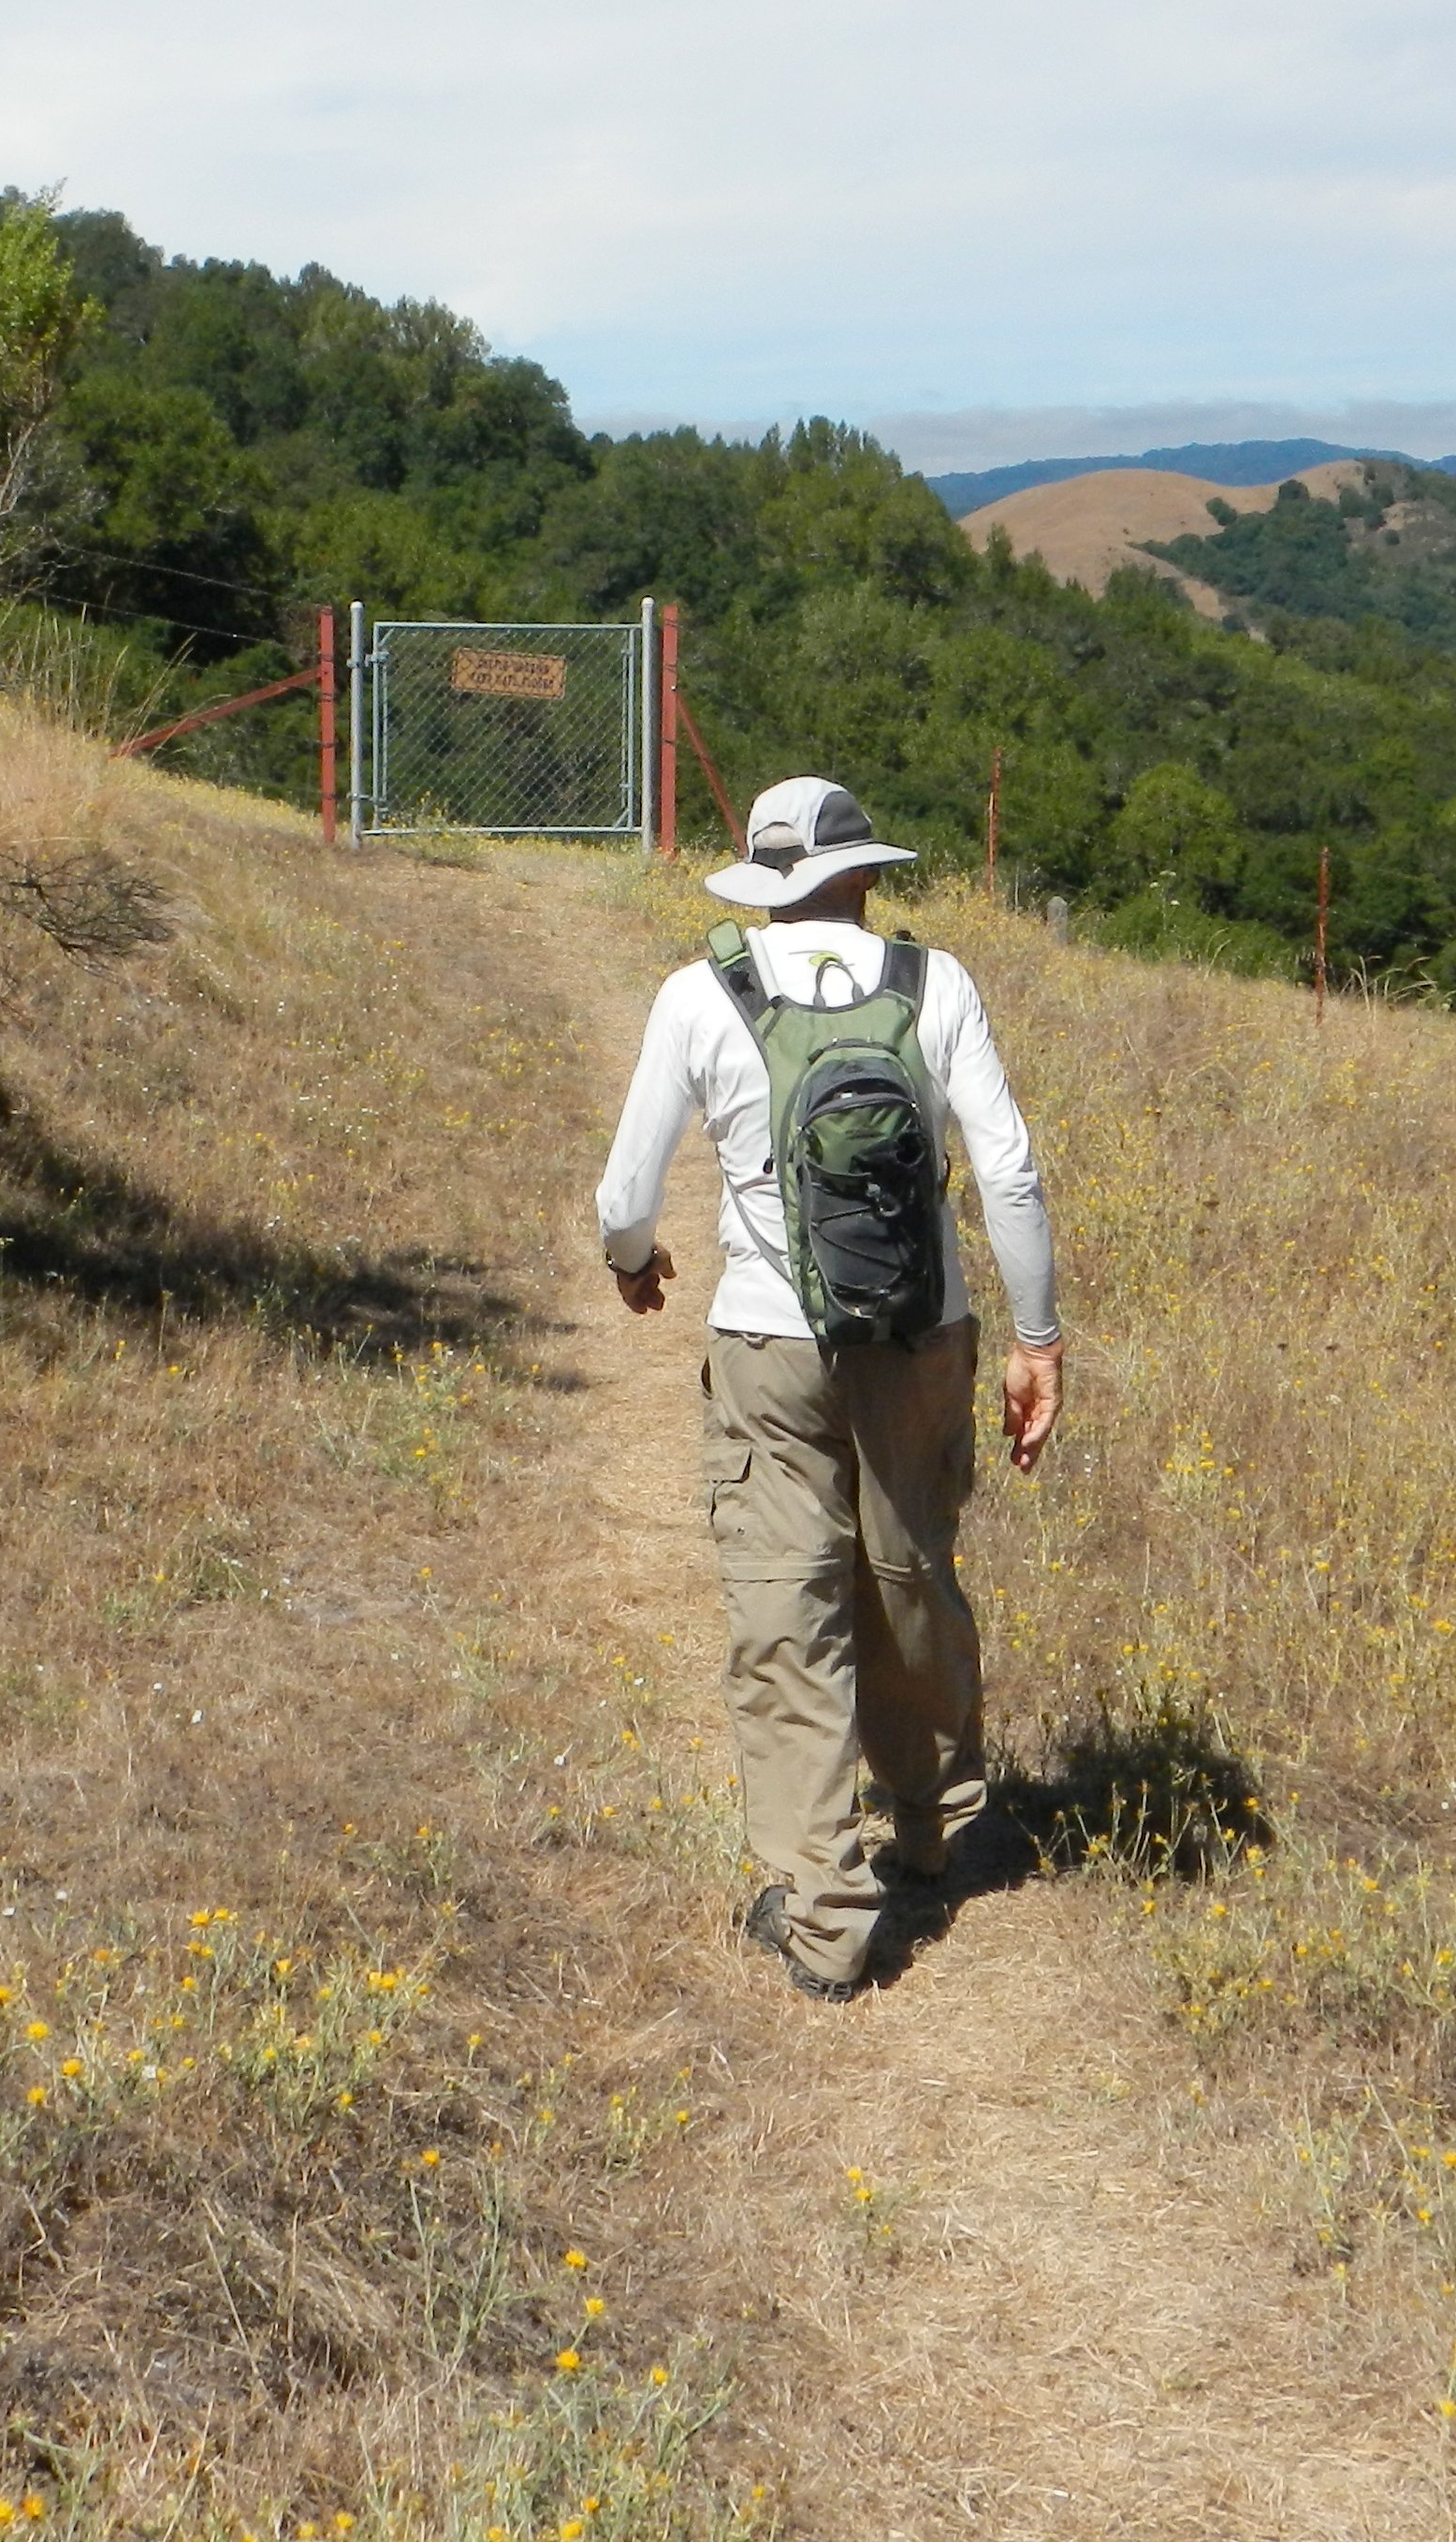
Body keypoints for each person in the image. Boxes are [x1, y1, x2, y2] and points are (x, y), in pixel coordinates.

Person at [594, 774, 1066, 2002]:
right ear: (864, 874)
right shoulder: (933, 984)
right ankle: (932, 1828)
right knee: (907, 1573)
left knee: (787, 1614)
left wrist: (635, 1267)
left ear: (759, 878)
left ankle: (823, 1914)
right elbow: (1007, 1174)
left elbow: (623, 1199)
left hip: (769, 1341)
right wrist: (1038, 1339)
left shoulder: (701, 995)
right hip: (925, 1336)